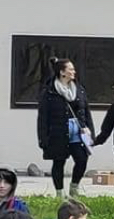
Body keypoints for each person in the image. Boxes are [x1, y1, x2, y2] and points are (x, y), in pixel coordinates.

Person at [36, 56, 95, 196]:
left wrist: (91, 132)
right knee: (59, 162)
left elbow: (86, 112)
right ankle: (59, 192)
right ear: (62, 72)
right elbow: (43, 117)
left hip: (78, 131)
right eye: (71, 69)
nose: (74, 72)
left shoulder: (79, 89)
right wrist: (43, 138)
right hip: (58, 132)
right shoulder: (49, 92)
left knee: (82, 159)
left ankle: (74, 187)